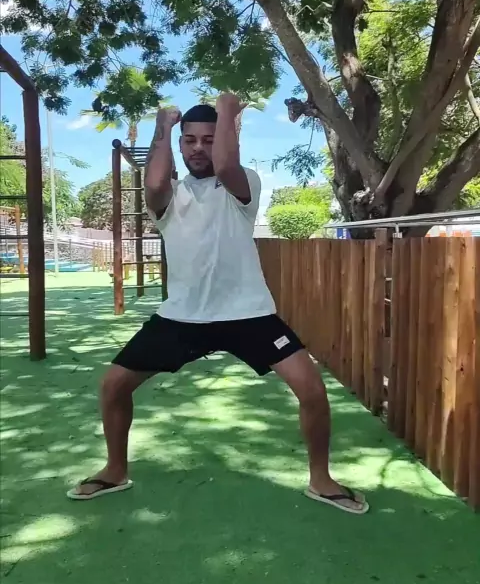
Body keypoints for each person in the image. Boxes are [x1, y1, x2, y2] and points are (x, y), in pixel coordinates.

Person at [68, 94, 368, 515]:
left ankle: (321, 479)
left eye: (208, 140)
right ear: (179, 145)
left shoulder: (243, 186)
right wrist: (162, 124)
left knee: (312, 391)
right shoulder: (169, 198)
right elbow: (153, 184)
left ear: (224, 140)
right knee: (113, 386)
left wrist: (227, 109)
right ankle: (115, 469)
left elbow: (227, 166)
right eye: (189, 140)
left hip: (249, 314)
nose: (198, 148)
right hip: (182, 318)